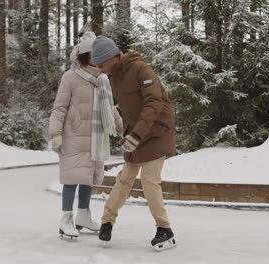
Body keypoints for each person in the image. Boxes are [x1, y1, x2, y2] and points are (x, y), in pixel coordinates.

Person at [91, 36, 178, 251]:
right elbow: (128, 109)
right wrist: (127, 133)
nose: (101, 70)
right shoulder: (114, 76)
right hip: (136, 135)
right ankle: (107, 222)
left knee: (149, 180)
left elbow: (153, 102)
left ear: (113, 57)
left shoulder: (141, 69)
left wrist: (137, 134)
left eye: (102, 64)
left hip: (156, 133)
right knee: (124, 179)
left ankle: (165, 229)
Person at [48, 32, 123, 239]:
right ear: (83, 56)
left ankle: (83, 215)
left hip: (96, 137)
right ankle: (66, 218)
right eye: (91, 55)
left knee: (87, 178)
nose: (95, 58)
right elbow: (59, 107)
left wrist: (121, 127)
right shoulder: (70, 77)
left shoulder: (103, 79)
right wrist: (55, 133)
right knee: (72, 178)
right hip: (73, 135)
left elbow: (110, 107)